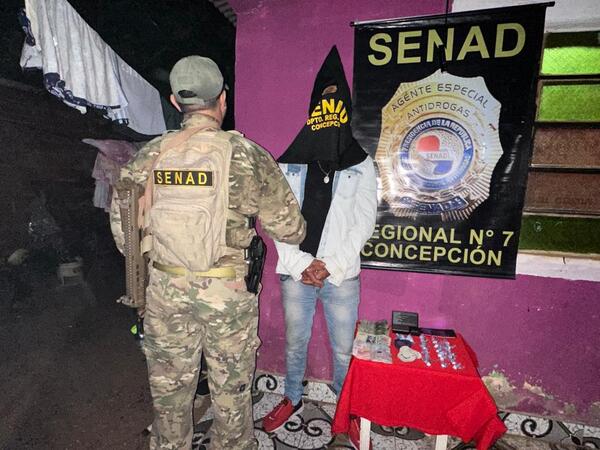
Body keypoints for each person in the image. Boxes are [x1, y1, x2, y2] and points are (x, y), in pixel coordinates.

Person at [110, 55, 306, 450]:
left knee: (169, 394)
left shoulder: (149, 156)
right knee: (230, 394)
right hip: (225, 296)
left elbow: (123, 230)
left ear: (175, 101)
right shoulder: (246, 155)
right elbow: (290, 229)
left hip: (165, 292)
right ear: (223, 99)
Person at [260, 47, 377, 449]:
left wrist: (330, 265)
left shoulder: (361, 164)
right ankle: (292, 397)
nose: (329, 109)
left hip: (341, 274)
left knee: (343, 351)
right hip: (295, 271)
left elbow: (363, 222)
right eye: (322, 102)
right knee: (296, 342)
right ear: (313, 109)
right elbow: (277, 218)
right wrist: (301, 264)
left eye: (335, 101)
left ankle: (345, 411)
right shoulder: (289, 163)